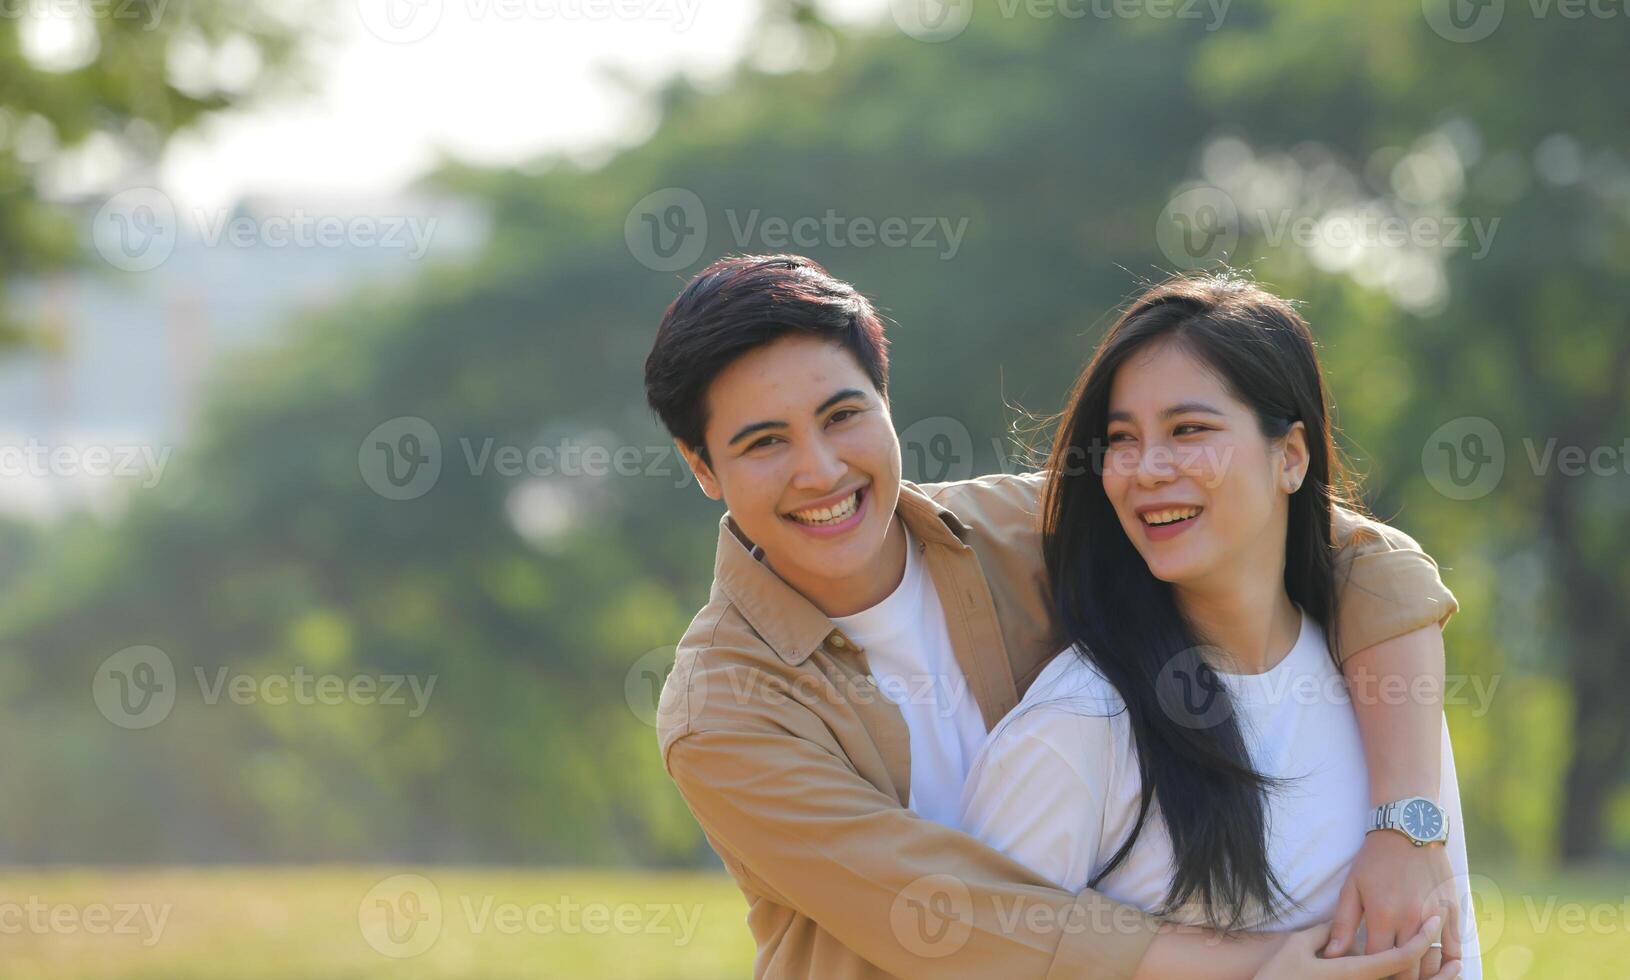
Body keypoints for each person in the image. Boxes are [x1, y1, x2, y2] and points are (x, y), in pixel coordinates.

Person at [645, 254, 1463, 978]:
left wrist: (1404, 829)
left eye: (842, 416)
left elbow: (1362, 556)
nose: (821, 471)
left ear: (887, 403)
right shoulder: (720, 712)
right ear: (700, 466)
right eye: (763, 443)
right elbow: (952, 917)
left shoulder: (1025, 530)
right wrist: (1267, 969)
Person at [959, 272, 1478, 979]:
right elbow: (975, 956)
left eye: (1189, 430)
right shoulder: (1078, 724)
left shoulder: (1384, 688)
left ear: (1290, 457)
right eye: (1122, 439)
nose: (1147, 469)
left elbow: (1450, 952)